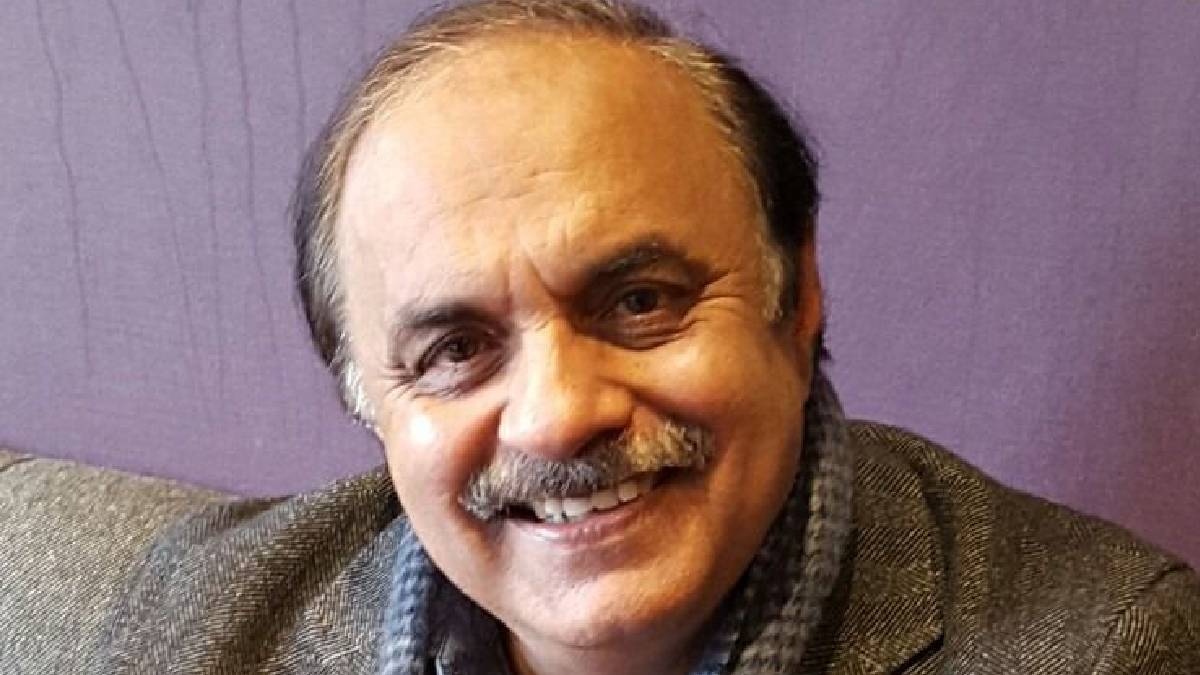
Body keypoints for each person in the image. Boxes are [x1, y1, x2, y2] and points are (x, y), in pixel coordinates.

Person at [97, 1, 1200, 673]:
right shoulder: (204, 623)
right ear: (368, 402)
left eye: (639, 301)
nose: (557, 415)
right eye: (455, 350)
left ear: (796, 296)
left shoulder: (1104, 645)